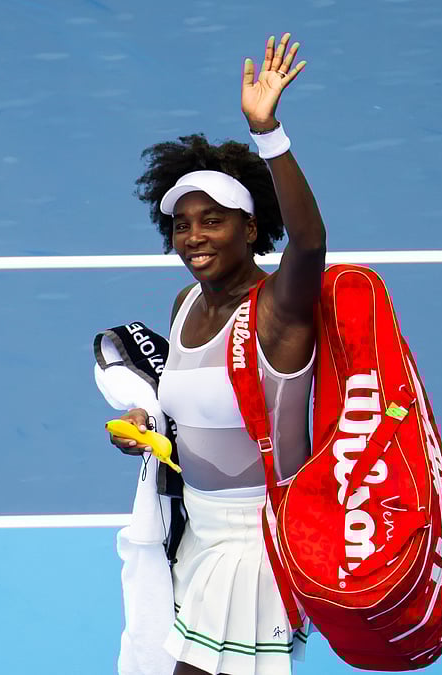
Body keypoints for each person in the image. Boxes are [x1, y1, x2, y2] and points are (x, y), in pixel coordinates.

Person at [109, 32, 327, 675]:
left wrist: (270, 134)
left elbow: (310, 245)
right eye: (182, 222)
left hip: (254, 545)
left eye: (214, 219)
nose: (194, 236)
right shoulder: (182, 306)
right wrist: (147, 430)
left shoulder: (277, 311)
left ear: (252, 227)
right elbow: (193, 412)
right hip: (195, 531)